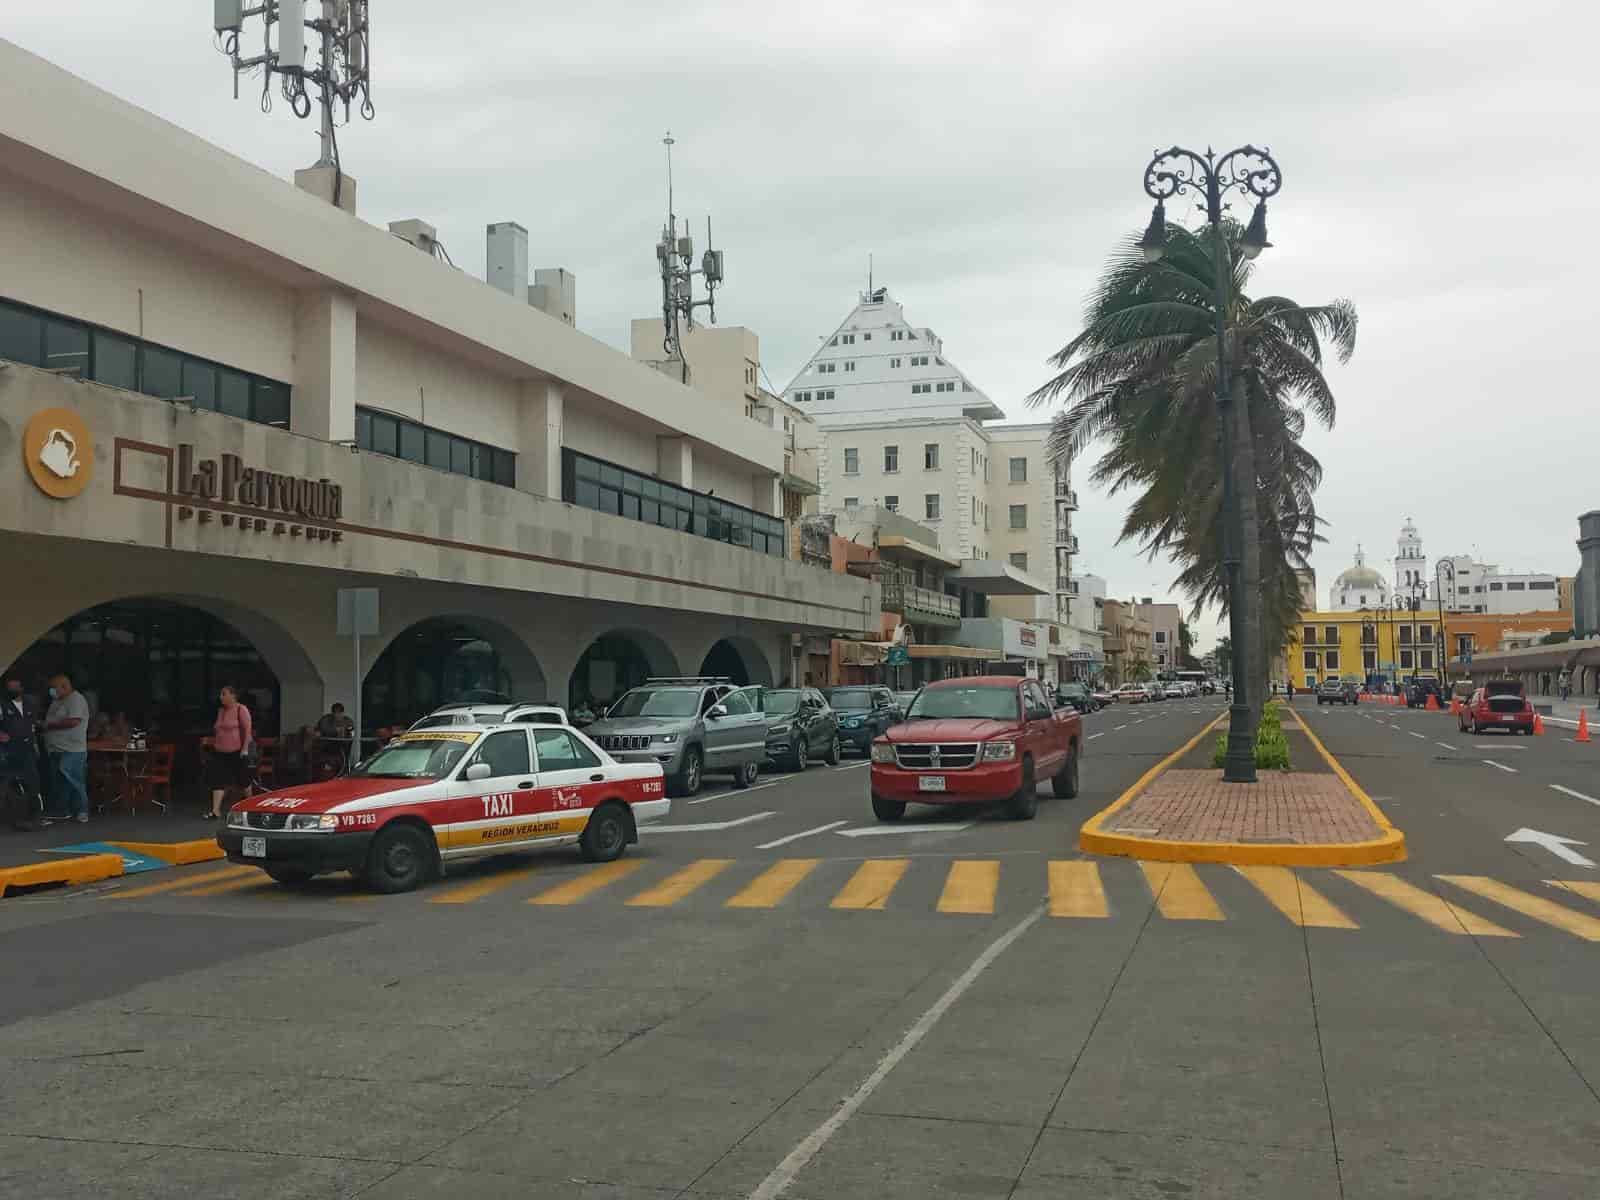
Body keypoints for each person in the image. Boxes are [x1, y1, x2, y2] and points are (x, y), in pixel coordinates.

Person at [42, 673, 90, 824]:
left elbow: (73, 721)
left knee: (74, 780)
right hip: (56, 749)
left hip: (72, 749)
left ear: (64, 686)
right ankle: (63, 810)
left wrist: (49, 725)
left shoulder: (76, 699)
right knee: (60, 782)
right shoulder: (56, 701)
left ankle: (82, 811)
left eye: (53, 688)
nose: (51, 691)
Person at [0, 675, 44, 830]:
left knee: (33, 783)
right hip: (8, 751)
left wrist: (36, 746)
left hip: (28, 750)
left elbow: (33, 726)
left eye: (15, 686)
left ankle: (35, 817)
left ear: (21, 688)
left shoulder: (31, 703)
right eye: (9, 687)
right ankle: (12, 818)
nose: (12, 689)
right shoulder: (2, 704)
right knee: (7, 784)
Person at [206, 684, 253, 821]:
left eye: (224, 694)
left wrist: (244, 749)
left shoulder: (241, 709)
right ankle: (215, 811)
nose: (221, 697)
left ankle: (251, 807)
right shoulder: (221, 711)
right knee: (217, 780)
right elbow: (218, 729)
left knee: (244, 780)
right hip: (220, 751)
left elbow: (247, 730)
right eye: (221, 694)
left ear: (233, 696)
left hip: (237, 751)